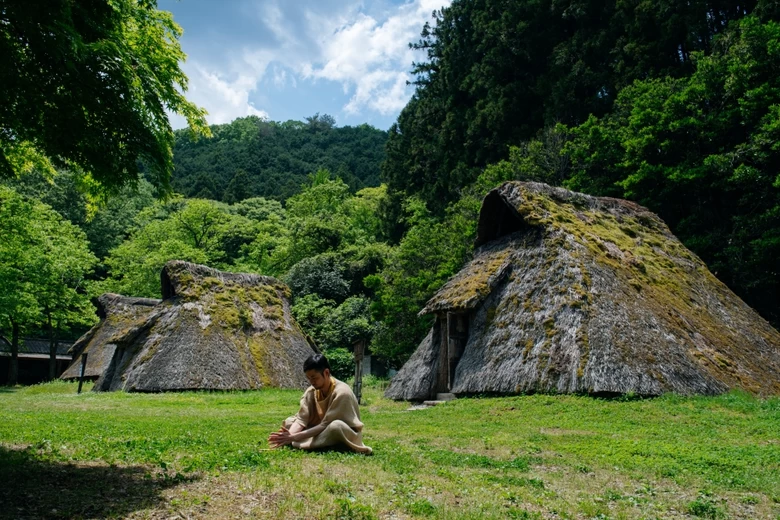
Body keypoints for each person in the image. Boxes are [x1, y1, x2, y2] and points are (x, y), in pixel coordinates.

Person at [268, 354, 372, 454]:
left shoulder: (342, 392)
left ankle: (306, 442)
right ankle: (320, 442)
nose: (311, 382)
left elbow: (326, 424)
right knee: (289, 422)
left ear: (326, 373)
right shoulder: (311, 391)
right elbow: (301, 419)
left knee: (335, 427)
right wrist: (289, 435)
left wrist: (294, 437)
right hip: (321, 429)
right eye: (309, 378)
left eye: (314, 377)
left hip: (345, 432)